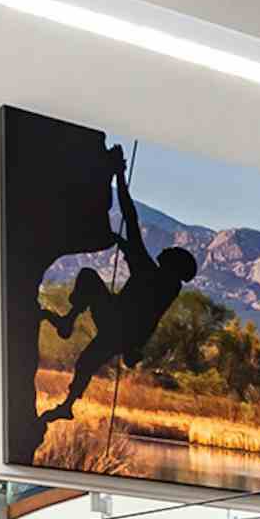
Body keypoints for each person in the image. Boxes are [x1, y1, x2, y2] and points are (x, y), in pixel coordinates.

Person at [40, 156, 198, 424]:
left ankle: (68, 321)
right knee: (86, 363)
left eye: (171, 252)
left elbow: (130, 217)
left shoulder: (154, 275)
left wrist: (119, 177)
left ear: (172, 264)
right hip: (124, 336)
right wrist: (125, 245)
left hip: (115, 321)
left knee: (89, 277)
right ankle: (67, 404)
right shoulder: (167, 285)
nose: (166, 248)